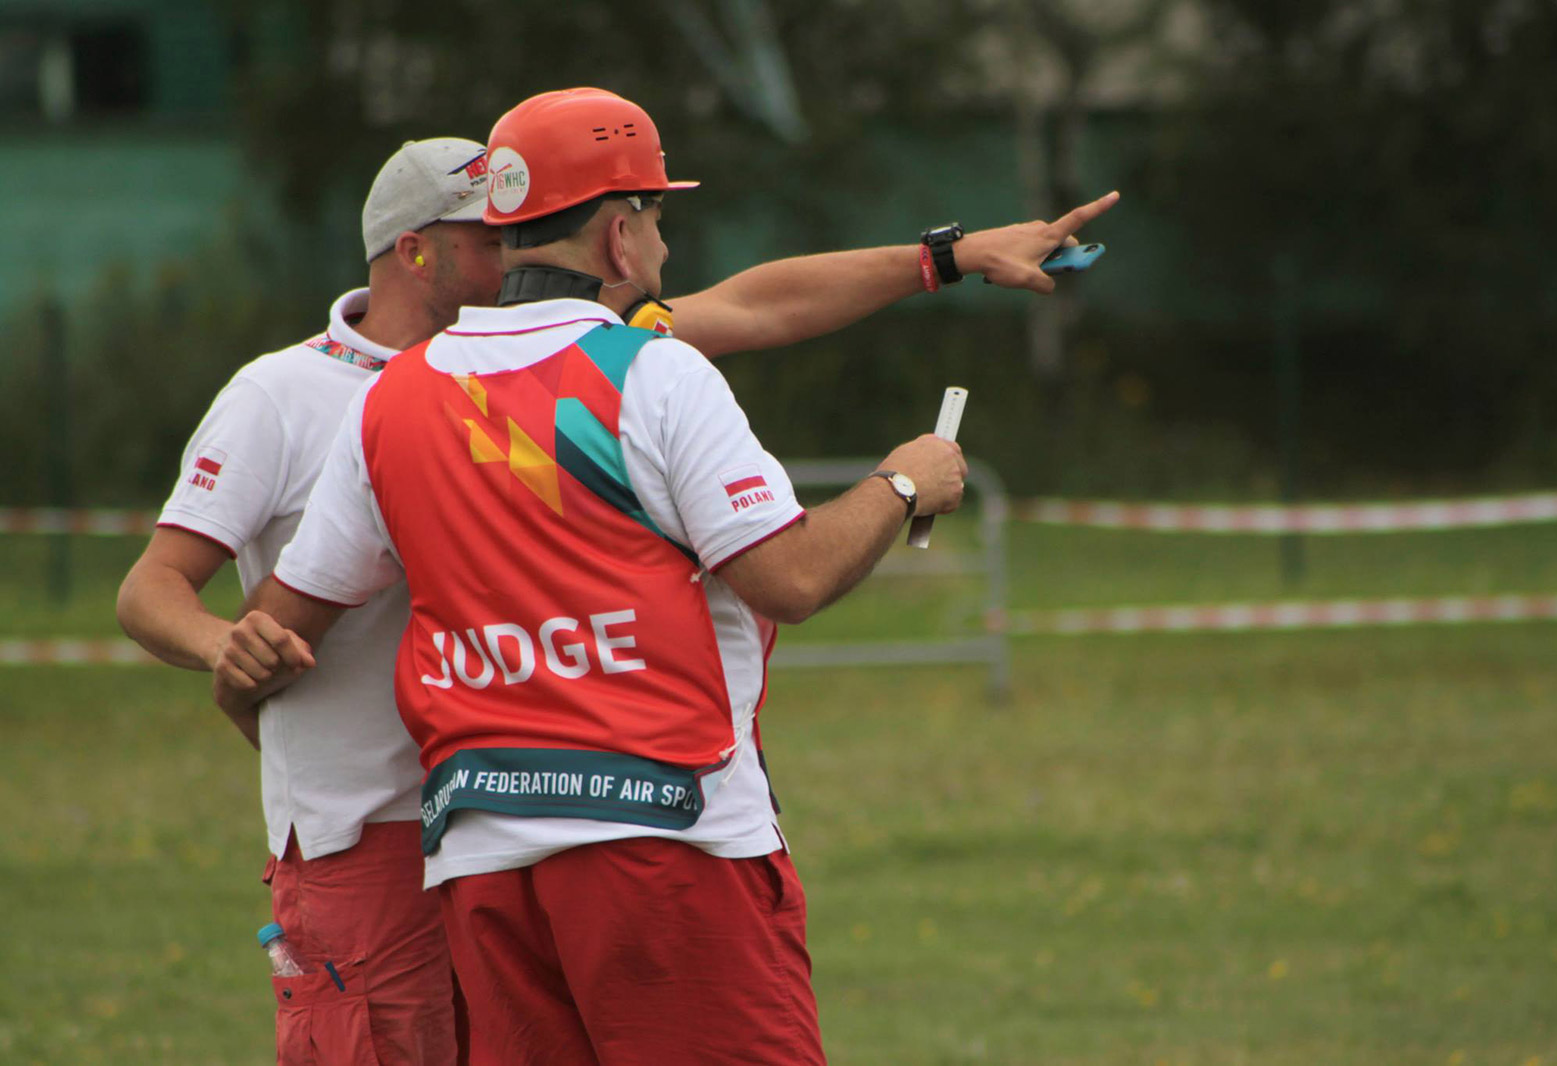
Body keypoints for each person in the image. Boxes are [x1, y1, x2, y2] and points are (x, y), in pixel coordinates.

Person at [125, 110, 1117, 1066]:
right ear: (616, 235)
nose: (665, 245)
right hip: (633, 836)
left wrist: (950, 255)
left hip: (477, 841)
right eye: (655, 217)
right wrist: (901, 483)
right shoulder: (632, 368)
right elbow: (792, 575)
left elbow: (763, 302)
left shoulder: (400, 399)